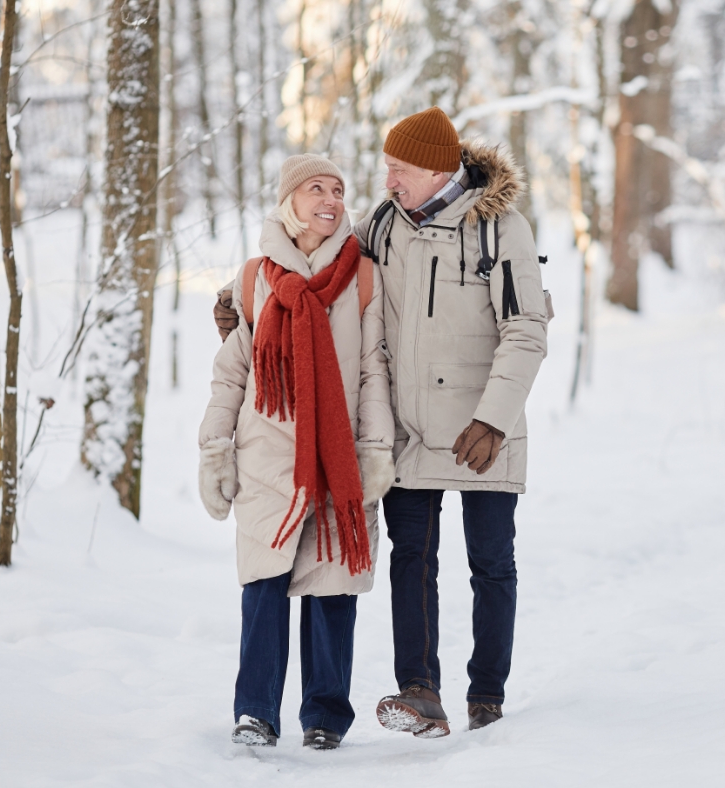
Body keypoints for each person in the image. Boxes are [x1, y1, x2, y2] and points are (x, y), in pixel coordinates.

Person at [213, 108, 549, 736]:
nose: (387, 180)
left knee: (490, 564)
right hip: (408, 429)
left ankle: (487, 698)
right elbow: (319, 264)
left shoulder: (500, 228)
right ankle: (420, 692)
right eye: (387, 168)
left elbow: (527, 328)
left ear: (436, 169)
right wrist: (242, 305)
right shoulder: (384, 226)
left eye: (399, 169)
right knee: (412, 558)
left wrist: (496, 418)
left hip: (482, 428)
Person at [198, 154, 395, 749]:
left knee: (332, 586)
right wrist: (215, 447)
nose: (331, 199)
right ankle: (256, 711)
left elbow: (371, 370)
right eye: (316, 188)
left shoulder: (361, 275)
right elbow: (232, 371)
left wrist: (376, 446)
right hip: (268, 453)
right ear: (290, 201)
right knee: (263, 583)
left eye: (338, 189)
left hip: (337, 456)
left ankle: (325, 718)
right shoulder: (256, 276)